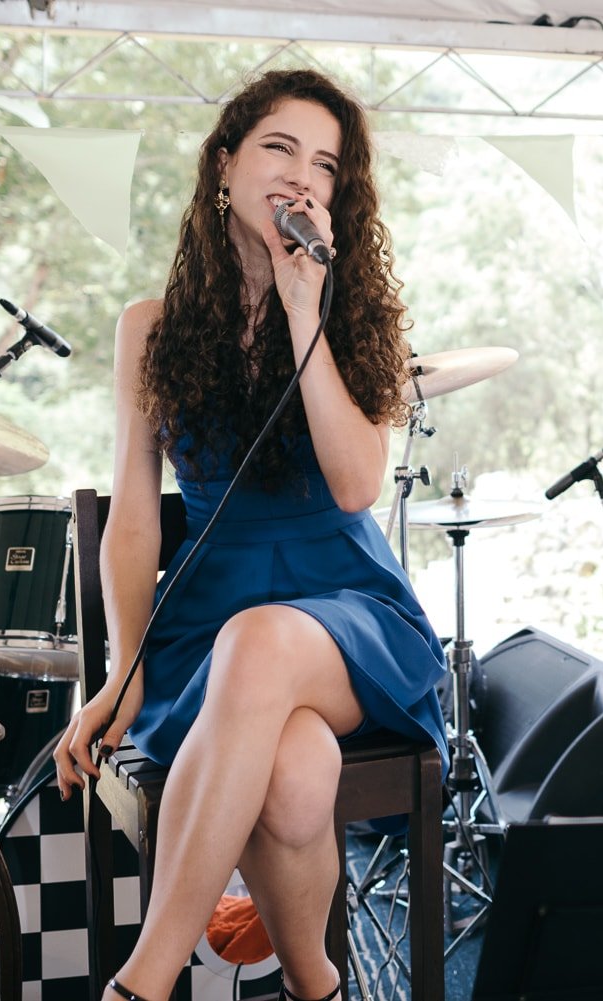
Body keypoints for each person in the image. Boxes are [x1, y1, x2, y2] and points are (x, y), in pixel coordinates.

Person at [52, 69, 448, 1001]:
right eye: (280, 148)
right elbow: (135, 515)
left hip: (345, 606)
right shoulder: (149, 329)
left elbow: (357, 485)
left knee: (262, 641)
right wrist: (120, 671)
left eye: (325, 165)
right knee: (298, 774)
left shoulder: (347, 319)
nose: (302, 176)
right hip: (207, 615)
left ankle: (137, 986)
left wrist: (306, 305)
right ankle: (322, 987)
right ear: (224, 166)